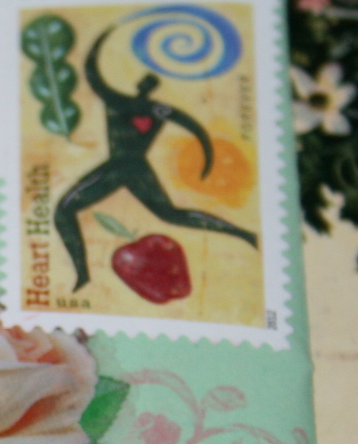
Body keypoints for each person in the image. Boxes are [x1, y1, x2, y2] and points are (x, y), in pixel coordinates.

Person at [55, 26, 258, 292]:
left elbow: (95, 76)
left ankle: (83, 274)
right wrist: (206, 153)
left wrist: (207, 153)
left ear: (142, 85)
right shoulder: (159, 109)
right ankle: (243, 233)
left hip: (121, 166)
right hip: (137, 167)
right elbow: (195, 129)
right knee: (169, 214)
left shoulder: (122, 101)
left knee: (64, 210)